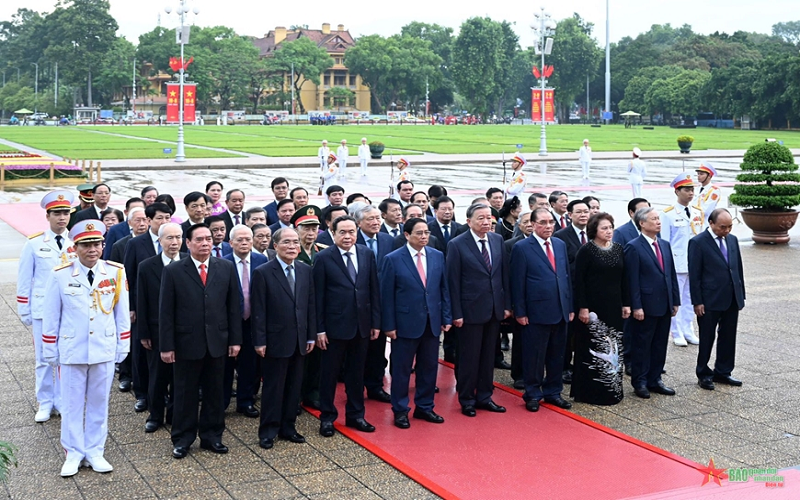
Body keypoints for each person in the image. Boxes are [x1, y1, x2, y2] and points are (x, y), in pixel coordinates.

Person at [42, 220, 130, 477]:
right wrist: (50, 349)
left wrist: (122, 344)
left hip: (103, 346)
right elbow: (51, 315)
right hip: (72, 348)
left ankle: (95, 450)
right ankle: (73, 452)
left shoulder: (115, 272)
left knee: (99, 402)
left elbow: (121, 312)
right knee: (71, 404)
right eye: (86, 245)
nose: (93, 249)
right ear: (76, 247)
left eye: (97, 244)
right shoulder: (60, 274)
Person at [159, 224, 242, 459]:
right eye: (199, 239)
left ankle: (212, 436)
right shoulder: (175, 270)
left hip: (217, 340)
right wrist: (167, 345)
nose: (205, 243)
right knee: (185, 393)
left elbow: (233, 307)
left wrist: (235, 340)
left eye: (208, 239)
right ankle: (182, 439)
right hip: (186, 342)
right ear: (188, 243)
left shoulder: (225, 267)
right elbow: (166, 311)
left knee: (215, 392)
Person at [312, 216, 381, 437]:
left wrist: (375, 322)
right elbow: (318, 297)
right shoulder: (323, 258)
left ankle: (356, 415)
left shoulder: (366, 254)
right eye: (342, 232)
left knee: (356, 373)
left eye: (351, 231)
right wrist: (320, 329)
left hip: (361, 325)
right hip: (334, 328)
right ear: (333, 233)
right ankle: (327, 417)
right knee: (329, 374)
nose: (348, 236)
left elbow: (373, 290)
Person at [380, 218, 452, 429]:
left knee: (429, 368)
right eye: (419, 233)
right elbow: (387, 296)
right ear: (407, 235)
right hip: (404, 323)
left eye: (426, 233)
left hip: (431, 321)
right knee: (402, 369)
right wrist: (389, 325)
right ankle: (400, 410)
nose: (424, 237)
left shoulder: (437, 256)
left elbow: (443, 289)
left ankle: (425, 406)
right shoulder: (393, 259)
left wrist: (446, 317)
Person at [252, 228, 316, 449]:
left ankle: (288, 427)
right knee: (273, 388)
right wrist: (259, 340)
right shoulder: (263, 272)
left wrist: (310, 336)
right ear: (275, 246)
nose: (292, 246)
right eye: (286, 242)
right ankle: (268, 430)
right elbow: (258, 310)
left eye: (295, 242)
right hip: (275, 339)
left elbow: (309, 305)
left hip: (300, 339)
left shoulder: (305, 270)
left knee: (293, 387)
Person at [17, 190, 77, 422]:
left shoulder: (76, 242)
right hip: (42, 309)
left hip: (69, 309)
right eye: (57, 213)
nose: (62, 218)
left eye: (65, 213)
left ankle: (61, 400)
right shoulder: (34, 243)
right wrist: (25, 308)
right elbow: (25, 277)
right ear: (47, 216)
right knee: (43, 358)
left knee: (64, 357)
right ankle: (44, 401)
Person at [447, 204, 510, 417]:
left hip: (493, 309)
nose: (486, 222)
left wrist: (506, 305)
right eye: (481, 218)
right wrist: (456, 313)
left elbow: (503, 276)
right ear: (469, 221)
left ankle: (485, 396)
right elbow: (453, 282)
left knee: (487, 356)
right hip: (469, 310)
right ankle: (466, 399)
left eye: (488, 218)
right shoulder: (457, 244)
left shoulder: (497, 240)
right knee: (468, 357)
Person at [510, 208, 573, 412]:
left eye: (551, 223)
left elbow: (565, 277)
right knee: (534, 356)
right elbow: (517, 282)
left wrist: (569, 306)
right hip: (536, 311)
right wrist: (520, 312)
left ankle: (553, 392)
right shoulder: (522, 247)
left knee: (557, 355)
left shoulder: (559, 244)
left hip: (560, 309)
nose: (548, 227)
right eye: (543, 223)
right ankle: (533, 393)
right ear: (534, 224)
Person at [572, 213, 630, 405]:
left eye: (610, 227)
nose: (608, 231)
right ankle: (590, 392)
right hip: (593, 309)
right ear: (594, 230)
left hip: (614, 306)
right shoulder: (586, 251)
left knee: (614, 347)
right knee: (593, 348)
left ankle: (611, 391)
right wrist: (583, 307)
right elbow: (578, 281)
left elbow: (624, 279)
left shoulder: (619, 249)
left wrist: (626, 303)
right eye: (604, 228)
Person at [624, 207, 680, 399]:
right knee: (642, 344)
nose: (658, 222)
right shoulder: (633, 246)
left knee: (659, 343)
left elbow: (670, 274)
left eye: (658, 218)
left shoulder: (664, 244)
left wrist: (675, 300)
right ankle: (639, 381)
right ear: (642, 223)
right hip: (645, 305)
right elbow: (632, 280)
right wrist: (636, 306)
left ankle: (655, 379)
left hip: (664, 303)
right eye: (654, 219)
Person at [123, 202, 173, 413]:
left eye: (167, 217)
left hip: (171, 310)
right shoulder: (136, 244)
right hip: (145, 307)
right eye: (159, 218)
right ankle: (142, 395)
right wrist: (132, 307)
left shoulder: (175, 240)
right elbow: (130, 277)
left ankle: (168, 398)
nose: (164, 222)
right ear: (150, 220)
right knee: (143, 353)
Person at [688, 209, 745, 391]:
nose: (726, 230)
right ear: (711, 223)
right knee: (707, 337)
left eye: (729, 226)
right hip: (709, 299)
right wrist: (697, 301)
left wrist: (741, 293)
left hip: (731, 297)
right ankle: (703, 373)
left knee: (728, 336)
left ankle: (723, 371)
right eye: (722, 227)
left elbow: (737, 269)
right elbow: (694, 275)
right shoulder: (698, 243)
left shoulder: (732, 240)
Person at [137, 222, 184, 433]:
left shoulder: (187, 263)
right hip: (156, 331)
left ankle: (175, 413)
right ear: (160, 240)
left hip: (184, 330)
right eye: (169, 238)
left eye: (178, 238)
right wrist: (144, 332)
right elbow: (142, 301)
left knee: (179, 376)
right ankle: (155, 415)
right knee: (157, 376)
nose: (174, 243)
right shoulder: (147, 266)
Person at [222, 225, 267, 417]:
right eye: (239, 240)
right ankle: (221, 402)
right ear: (231, 243)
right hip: (229, 321)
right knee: (226, 364)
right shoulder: (222, 263)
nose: (244, 243)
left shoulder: (261, 260)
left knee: (250, 363)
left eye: (248, 239)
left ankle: (245, 400)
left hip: (253, 320)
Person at [353, 204, 395, 403]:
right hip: (358, 304)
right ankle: (355, 387)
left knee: (378, 349)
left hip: (382, 303)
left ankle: (375, 386)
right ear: (359, 222)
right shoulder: (354, 240)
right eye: (370, 219)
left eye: (378, 218)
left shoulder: (389, 240)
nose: (376, 222)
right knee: (358, 351)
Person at [660, 173, 704, 346]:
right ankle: (676, 332)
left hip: (694, 263)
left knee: (690, 299)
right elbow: (664, 242)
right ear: (677, 191)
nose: (691, 193)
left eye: (692, 189)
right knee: (676, 300)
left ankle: (688, 329)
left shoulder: (697, 212)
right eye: (686, 190)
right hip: (677, 264)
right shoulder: (668, 214)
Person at [553, 199, 591, 384]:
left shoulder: (594, 234)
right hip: (570, 293)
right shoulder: (560, 236)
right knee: (567, 335)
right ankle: (564, 368)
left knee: (587, 333)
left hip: (590, 293)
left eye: (586, 211)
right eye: (579, 212)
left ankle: (583, 365)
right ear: (570, 215)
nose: (584, 215)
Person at [503, 210, 533, 388]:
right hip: (520, 298)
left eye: (532, 221)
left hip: (539, 300)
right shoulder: (511, 245)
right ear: (519, 225)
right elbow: (509, 276)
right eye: (526, 221)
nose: (530, 224)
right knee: (521, 339)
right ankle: (519, 374)